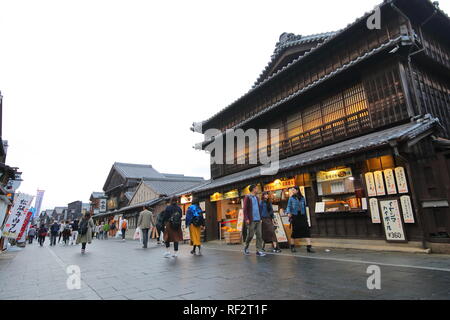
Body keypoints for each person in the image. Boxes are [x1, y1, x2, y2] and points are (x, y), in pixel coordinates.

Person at [286, 187, 314, 253]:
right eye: (292, 190)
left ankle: (309, 247)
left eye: (293, 190)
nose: (292, 191)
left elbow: (304, 207)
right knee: (295, 232)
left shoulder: (302, 198)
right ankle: (292, 246)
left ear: (297, 190)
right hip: (295, 216)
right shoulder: (291, 198)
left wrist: (306, 217)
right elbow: (288, 206)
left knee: (306, 231)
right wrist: (288, 213)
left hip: (302, 216)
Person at [243, 184, 265, 256]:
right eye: (256, 188)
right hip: (251, 219)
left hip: (258, 219)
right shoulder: (247, 197)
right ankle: (246, 247)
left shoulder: (256, 197)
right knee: (250, 235)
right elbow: (245, 209)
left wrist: (260, 218)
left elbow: (258, 208)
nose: (257, 189)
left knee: (259, 235)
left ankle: (258, 250)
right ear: (253, 189)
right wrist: (246, 218)